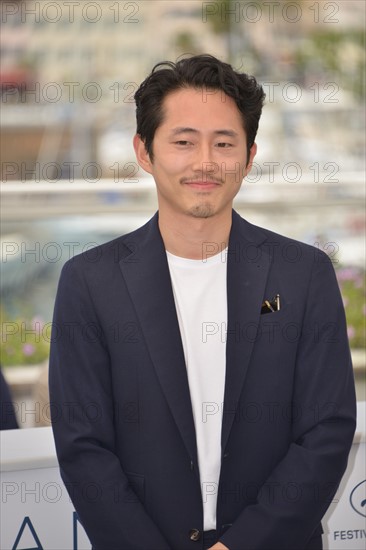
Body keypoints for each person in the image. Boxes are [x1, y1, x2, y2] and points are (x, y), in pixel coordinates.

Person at [49, 54, 356, 550]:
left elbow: (327, 429)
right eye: (184, 141)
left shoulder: (304, 274)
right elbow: (83, 448)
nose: (205, 162)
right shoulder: (89, 283)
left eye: (224, 143)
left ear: (250, 156)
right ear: (145, 152)